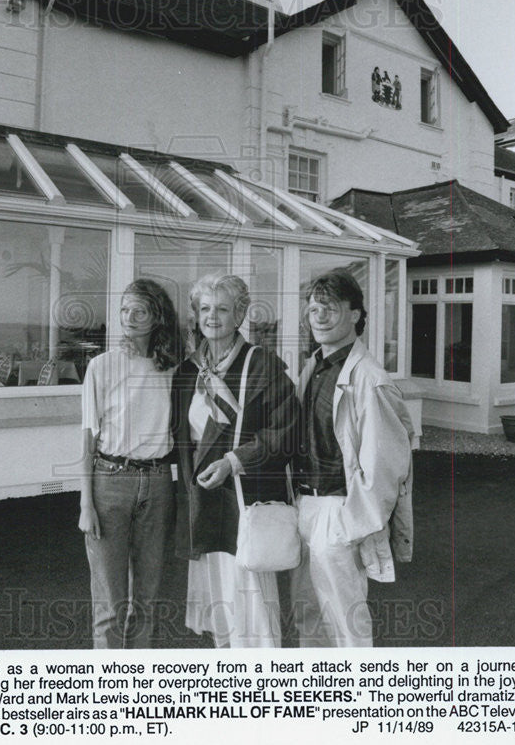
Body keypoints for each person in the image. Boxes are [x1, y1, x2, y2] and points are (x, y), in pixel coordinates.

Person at [172, 273, 299, 648]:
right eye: (205, 308)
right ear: (196, 314)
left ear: (240, 315)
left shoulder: (263, 365)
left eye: (223, 309)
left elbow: (286, 433)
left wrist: (234, 460)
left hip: (245, 501)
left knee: (253, 612)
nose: (213, 317)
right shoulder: (187, 371)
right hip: (203, 501)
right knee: (220, 607)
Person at [293, 268, 414, 648]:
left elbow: (387, 463)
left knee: (347, 624)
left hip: (339, 511)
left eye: (330, 308)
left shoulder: (370, 377)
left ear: (356, 314)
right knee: (307, 615)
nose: (320, 317)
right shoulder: (314, 366)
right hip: (305, 507)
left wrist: (353, 523)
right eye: (314, 309)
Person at [79, 279, 180, 649]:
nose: (130, 317)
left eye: (139, 310)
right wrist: (85, 503)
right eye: (124, 309)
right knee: (109, 604)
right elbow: (88, 440)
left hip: (157, 484)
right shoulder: (101, 367)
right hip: (109, 484)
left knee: (148, 600)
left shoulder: (173, 369)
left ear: (157, 316)